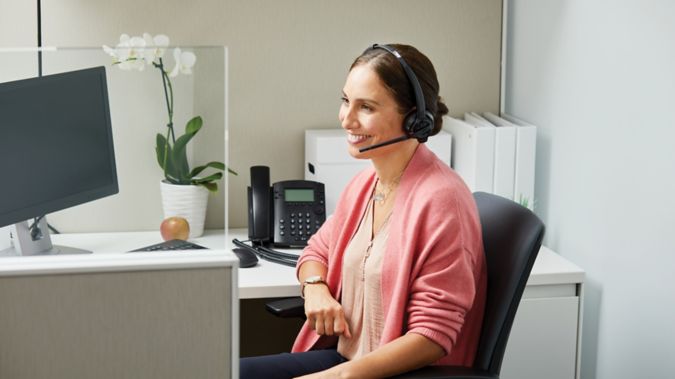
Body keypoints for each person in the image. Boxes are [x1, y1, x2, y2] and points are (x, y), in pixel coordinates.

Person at [240, 43, 487, 379]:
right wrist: (315, 289)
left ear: (414, 118)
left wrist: (342, 377)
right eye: (345, 101)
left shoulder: (443, 201)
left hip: (395, 373)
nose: (346, 119)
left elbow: (432, 337)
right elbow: (317, 251)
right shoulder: (365, 184)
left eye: (366, 107)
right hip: (344, 360)